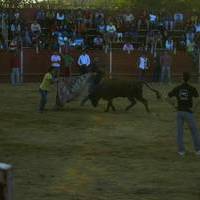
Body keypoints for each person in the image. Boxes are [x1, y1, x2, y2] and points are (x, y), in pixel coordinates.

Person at [167, 72, 200, 156]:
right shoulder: (192, 88)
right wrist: (194, 108)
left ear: (182, 78)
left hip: (179, 112)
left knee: (180, 132)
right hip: (189, 112)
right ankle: (198, 150)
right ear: (189, 79)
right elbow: (197, 99)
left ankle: (181, 151)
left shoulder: (177, 88)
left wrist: (174, 105)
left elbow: (167, 97)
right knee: (194, 131)